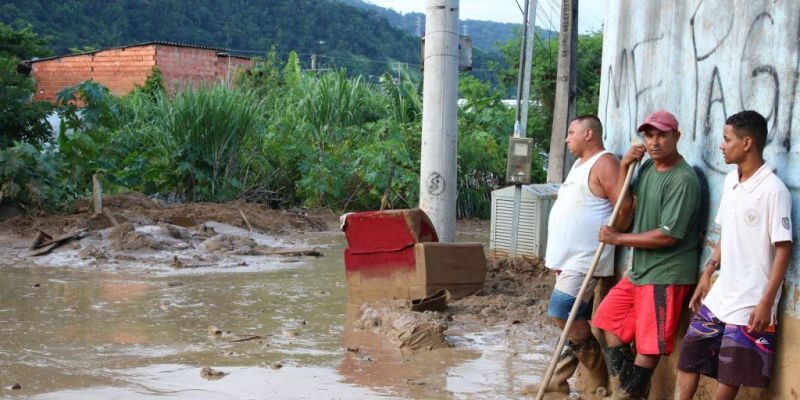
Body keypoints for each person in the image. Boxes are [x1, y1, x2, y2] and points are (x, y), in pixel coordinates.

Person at [675, 110, 793, 400]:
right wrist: (708, 271)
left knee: (730, 375)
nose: (721, 145)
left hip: (751, 301)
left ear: (748, 143)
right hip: (721, 294)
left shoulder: (774, 191)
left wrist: (766, 302)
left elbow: (783, 250)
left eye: (727, 139)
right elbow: (726, 233)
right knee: (689, 357)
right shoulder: (730, 181)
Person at [593, 110, 702, 399]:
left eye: (661, 135)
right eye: (649, 135)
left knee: (649, 345)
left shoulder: (683, 179)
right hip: (641, 270)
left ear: (676, 137)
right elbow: (626, 206)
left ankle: (627, 393)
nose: (654, 142)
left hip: (666, 271)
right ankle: (629, 387)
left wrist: (618, 238)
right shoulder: (647, 169)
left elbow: (668, 235)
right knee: (606, 320)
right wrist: (626, 166)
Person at [528, 115, 622, 397]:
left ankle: (596, 375)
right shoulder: (581, 164)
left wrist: (615, 236)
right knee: (572, 320)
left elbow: (624, 205)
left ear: (589, 133)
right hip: (569, 260)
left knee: (560, 313)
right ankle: (559, 383)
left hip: (585, 259)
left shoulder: (604, 162)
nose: (567, 138)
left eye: (571, 132)